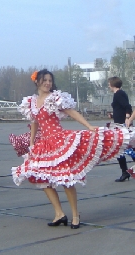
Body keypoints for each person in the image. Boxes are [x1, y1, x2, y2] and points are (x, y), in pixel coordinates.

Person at [11, 69, 130, 229]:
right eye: (44, 80)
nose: (48, 83)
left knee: (66, 179)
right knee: (40, 178)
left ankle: (75, 215)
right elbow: (34, 122)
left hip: (59, 141)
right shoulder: (31, 102)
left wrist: (88, 126)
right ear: (37, 82)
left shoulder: (54, 98)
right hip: (43, 145)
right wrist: (32, 143)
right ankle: (59, 214)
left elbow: (72, 112)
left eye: (50, 81)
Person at [108, 76, 133, 182]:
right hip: (119, 123)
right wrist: (113, 115)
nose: (108, 86)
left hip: (122, 125)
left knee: (123, 148)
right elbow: (121, 109)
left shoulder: (119, 94)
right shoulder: (119, 94)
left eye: (109, 84)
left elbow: (128, 107)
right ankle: (125, 172)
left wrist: (127, 118)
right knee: (123, 149)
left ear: (112, 84)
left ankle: (125, 172)